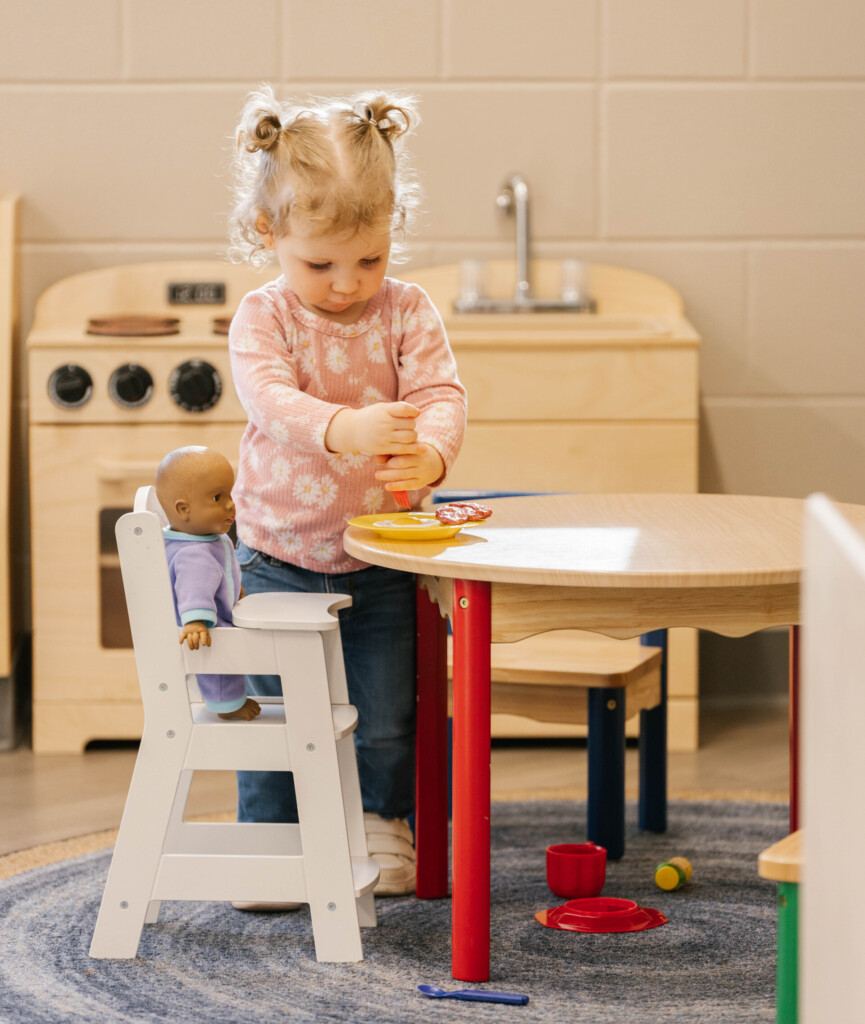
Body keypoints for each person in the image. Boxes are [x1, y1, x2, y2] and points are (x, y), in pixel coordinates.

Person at [226, 84, 466, 900]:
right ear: (269, 233)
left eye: (368, 259)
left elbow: (441, 395)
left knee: (388, 715)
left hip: (380, 557)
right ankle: (273, 841)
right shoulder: (264, 317)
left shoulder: (407, 310)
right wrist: (347, 429)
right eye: (319, 263)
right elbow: (270, 401)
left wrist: (430, 457)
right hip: (277, 554)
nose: (345, 283)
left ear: (392, 228)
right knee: (278, 713)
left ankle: (378, 827)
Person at [156, 446, 261, 722]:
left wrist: (233, 588)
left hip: (216, 612)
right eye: (217, 497)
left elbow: (221, 571)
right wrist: (196, 620)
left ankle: (229, 700)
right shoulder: (194, 554)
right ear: (183, 509)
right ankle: (227, 706)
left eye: (229, 493)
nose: (230, 504)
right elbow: (193, 590)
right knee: (220, 664)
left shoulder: (204, 537)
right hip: (209, 625)